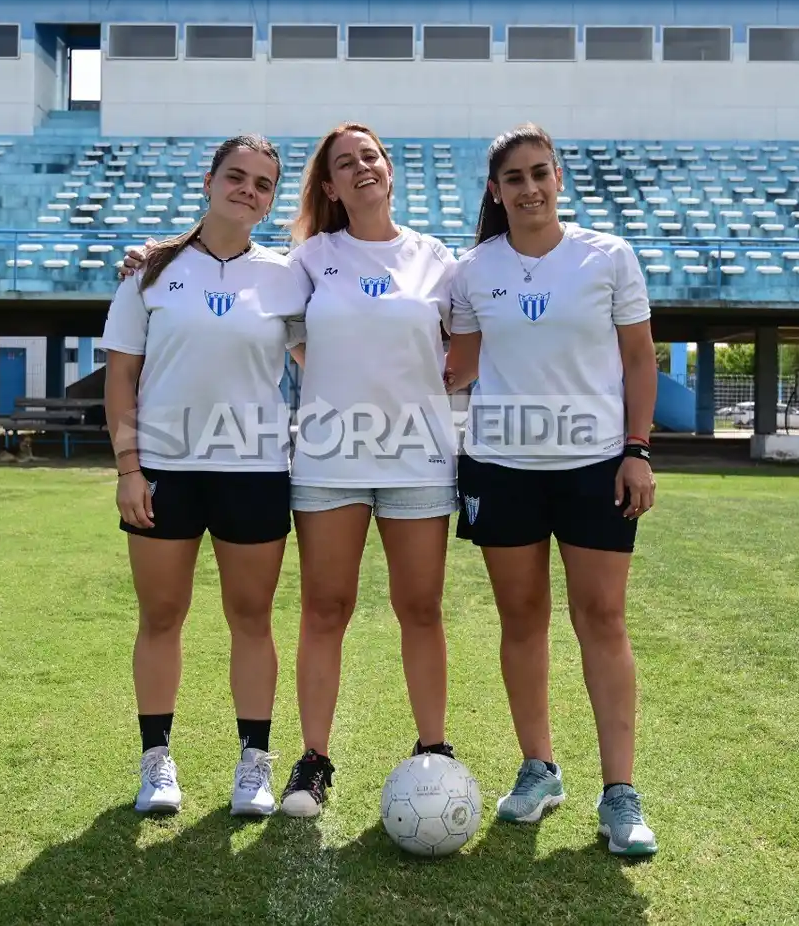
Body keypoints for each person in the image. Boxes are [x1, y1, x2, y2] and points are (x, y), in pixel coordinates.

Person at [443, 123, 660, 857]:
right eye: (514, 178)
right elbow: (458, 367)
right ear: (496, 191)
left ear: (558, 177)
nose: (529, 188)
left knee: (602, 620)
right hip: (500, 468)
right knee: (522, 620)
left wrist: (637, 451)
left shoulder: (608, 256)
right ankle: (539, 769)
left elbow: (638, 360)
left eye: (541, 173)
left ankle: (620, 793)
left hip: (596, 465)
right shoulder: (474, 270)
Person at [100, 134, 308, 818]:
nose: (248, 191)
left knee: (252, 619)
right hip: (164, 468)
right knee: (162, 617)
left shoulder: (285, 276)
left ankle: (254, 766)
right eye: (237, 177)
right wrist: (129, 468)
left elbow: (322, 355)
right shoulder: (151, 270)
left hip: (253, 469)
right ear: (210, 180)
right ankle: (156, 763)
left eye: (263, 184)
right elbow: (122, 376)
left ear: (272, 199)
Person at [276, 122, 461, 817]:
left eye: (371, 157)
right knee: (326, 609)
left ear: (389, 169)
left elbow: (466, 346)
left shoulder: (436, 258)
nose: (361, 169)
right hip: (329, 458)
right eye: (344, 164)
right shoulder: (309, 258)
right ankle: (314, 760)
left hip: (418, 457)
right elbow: (291, 338)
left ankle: (434, 749)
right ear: (328, 186)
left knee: (420, 608)